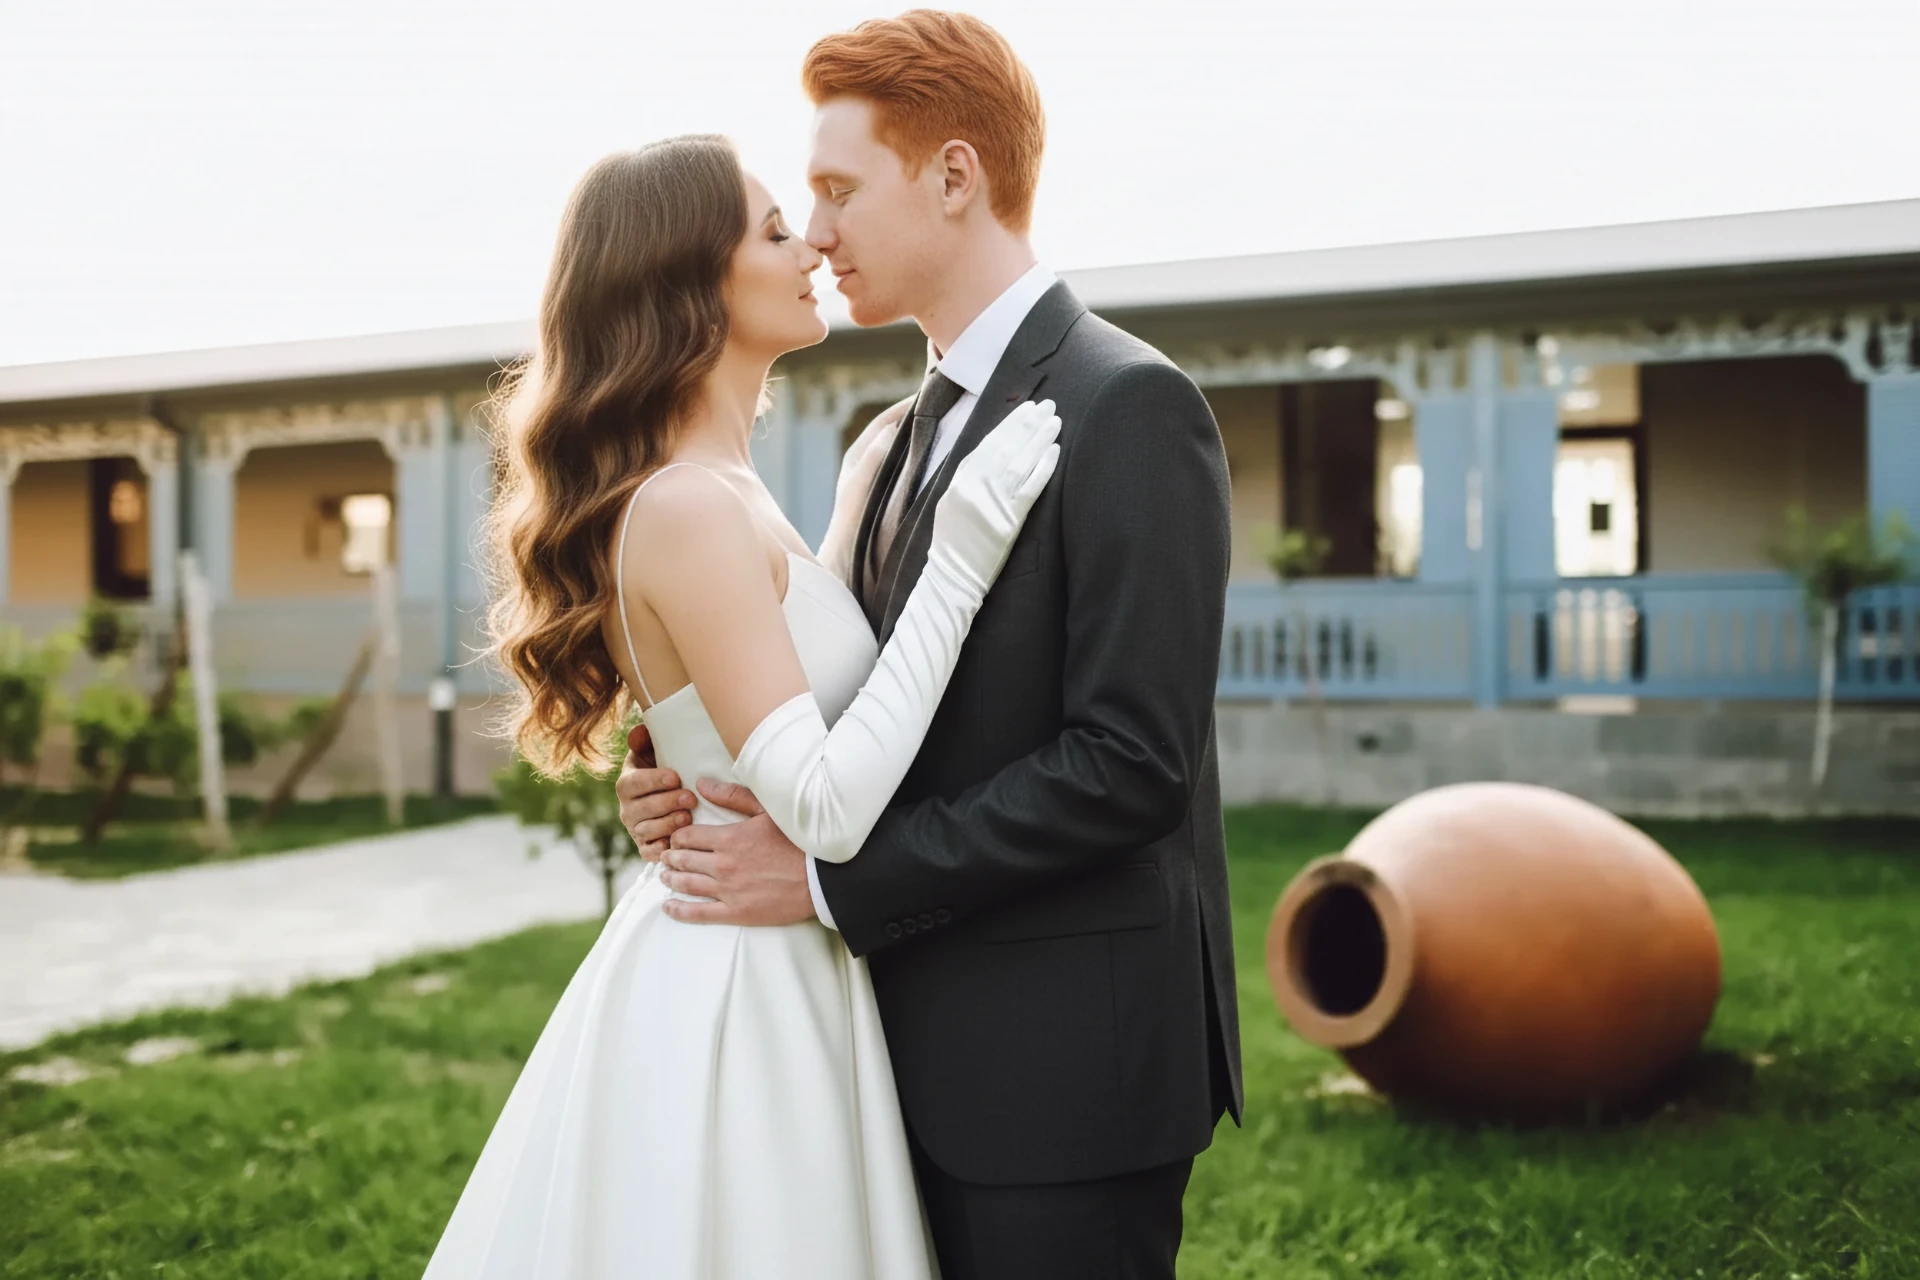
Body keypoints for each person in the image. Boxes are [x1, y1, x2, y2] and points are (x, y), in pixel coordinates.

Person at [617, 12, 1243, 1279]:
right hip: (887, 1053)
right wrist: (686, 774)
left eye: (840, 190)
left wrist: (836, 883)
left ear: (955, 176)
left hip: (1065, 1073)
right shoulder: (894, 437)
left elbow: (1132, 762)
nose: (822, 230)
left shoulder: (1128, 405)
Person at [423, 132, 1059, 1279]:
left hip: (779, 952)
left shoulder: (727, 493)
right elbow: (820, 803)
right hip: (735, 988)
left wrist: (669, 741)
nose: (811, 242)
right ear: (687, 286)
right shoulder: (687, 507)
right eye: (773, 230)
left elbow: (760, 684)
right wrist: (961, 557)